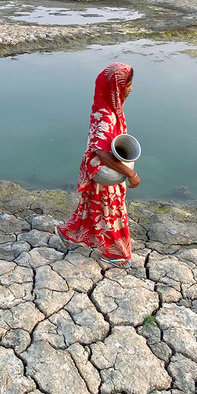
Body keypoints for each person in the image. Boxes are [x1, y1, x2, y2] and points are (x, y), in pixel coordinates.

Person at [55, 62, 140, 268]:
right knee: (111, 213)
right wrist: (130, 173)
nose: (131, 89)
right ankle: (116, 253)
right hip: (104, 175)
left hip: (104, 173)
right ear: (116, 86)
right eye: (128, 85)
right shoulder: (106, 116)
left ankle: (68, 233)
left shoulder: (110, 108)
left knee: (89, 208)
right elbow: (100, 153)